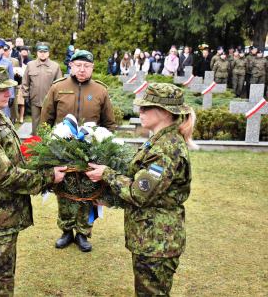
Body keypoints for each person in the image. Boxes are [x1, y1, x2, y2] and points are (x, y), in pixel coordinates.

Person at [0, 64, 67, 296]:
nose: (8, 94)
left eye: (8, 88)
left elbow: (16, 158)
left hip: (3, 219)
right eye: (0, 90)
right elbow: (5, 175)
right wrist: (48, 177)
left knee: (4, 283)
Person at [86, 83, 195, 296]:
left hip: (157, 241)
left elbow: (138, 192)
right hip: (151, 236)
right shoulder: (159, 140)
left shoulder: (165, 149)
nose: (140, 112)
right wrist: (106, 197)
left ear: (164, 112)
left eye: (146, 108)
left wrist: (106, 174)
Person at [41, 50, 117, 252]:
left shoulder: (100, 91)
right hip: (62, 151)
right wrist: (46, 147)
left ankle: (83, 232)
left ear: (92, 68)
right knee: (64, 192)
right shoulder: (58, 88)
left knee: (88, 192)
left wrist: (106, 149)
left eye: (87, 66)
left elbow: (109, 123)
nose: (82, 69)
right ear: (71, 66)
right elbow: (45, 120)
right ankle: (66, 231)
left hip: (90, 152)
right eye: (78, 65)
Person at [21, 42, 62, 135]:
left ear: (48, 53)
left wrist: (58, 98)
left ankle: (47, 143)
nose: (42, 53)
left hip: (50, 100)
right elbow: (25, 82)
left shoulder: (55, 66)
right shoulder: (30, 65)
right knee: (35, 122)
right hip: (35, 99)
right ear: (37, 53)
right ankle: (36, 141)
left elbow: (59, 84)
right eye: (40, 51)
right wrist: (25, 96)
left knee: (48, 122)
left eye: (45, 51)